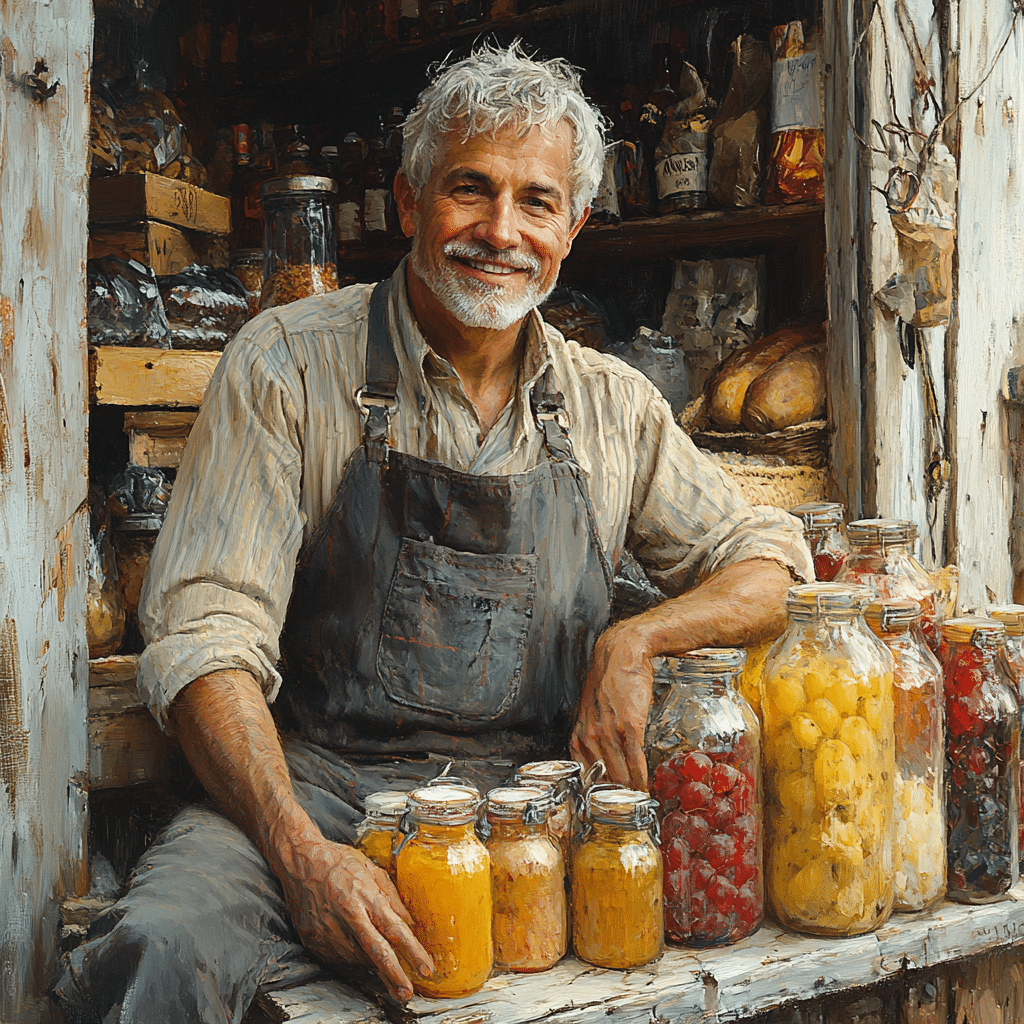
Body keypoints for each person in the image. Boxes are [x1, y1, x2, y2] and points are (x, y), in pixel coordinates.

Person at [56, 42, 813, 1023]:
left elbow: (768, 564)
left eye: (536, 201)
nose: (500, 231)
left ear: (575, 227)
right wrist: (297, 852)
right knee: (155, 954)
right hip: (315, 791)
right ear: (410, 203)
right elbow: (204, 645)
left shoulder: (611, 404)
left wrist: (642, 637)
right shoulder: (287, 364)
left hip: (538, 805)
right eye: (470, 189)